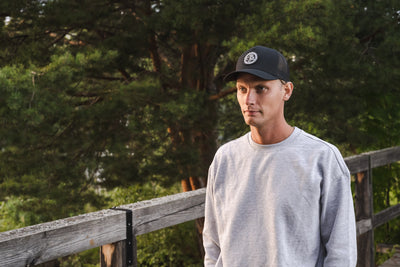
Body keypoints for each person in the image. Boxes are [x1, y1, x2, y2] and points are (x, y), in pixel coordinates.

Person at [203, 45, 357, 266]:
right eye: (242, 89)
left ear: (287, 91)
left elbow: (342, 251)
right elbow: (212, 243)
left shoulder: (322, 158)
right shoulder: (224, 159)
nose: (249, 100)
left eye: (260, 88)